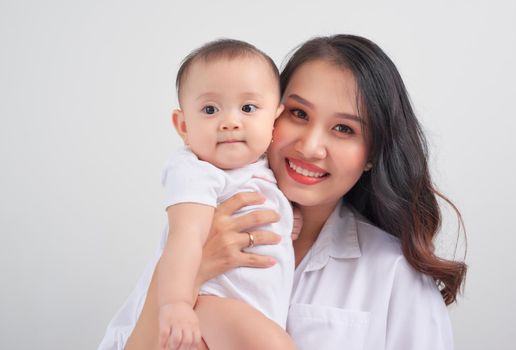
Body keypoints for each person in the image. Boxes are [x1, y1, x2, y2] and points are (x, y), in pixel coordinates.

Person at [99, 34, 467, 350]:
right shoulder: (205, 228)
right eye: (299, 114)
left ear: (372, 153)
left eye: (344, 129)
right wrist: (194, 273)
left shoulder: (394, 273)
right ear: (272, 114)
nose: (310, 147)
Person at [104, 39, 298, 350]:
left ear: (275, 119)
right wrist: (176, 304)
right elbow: (186, 236)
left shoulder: (261, 167)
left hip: (247, 312)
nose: (230, 122)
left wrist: (289, 220)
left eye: (248, 108)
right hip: (204, 305)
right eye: (210, 109)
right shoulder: (195, 171)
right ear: (183, 125)